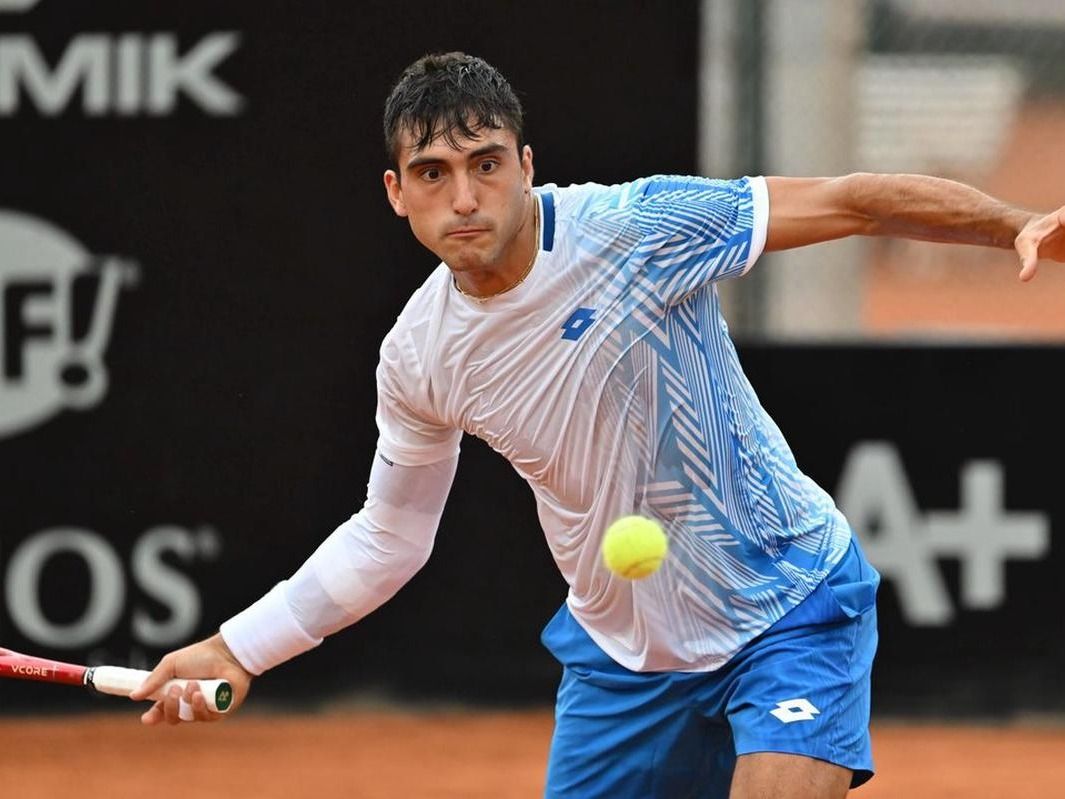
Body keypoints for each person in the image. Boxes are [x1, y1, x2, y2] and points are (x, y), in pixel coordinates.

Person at [132, 52, 1065, 798]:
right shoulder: (419, 355)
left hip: (789, 604)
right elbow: (390, 536)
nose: (464, 197)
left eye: (485, 164)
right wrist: (237, 645)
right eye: (433, 173)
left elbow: (854, 201)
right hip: (625, 661)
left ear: (525, 166)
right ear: (396, 192)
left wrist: (1015, 223)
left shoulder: (640, 228)